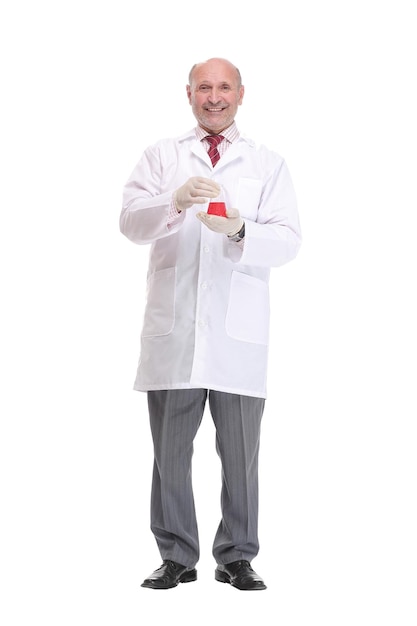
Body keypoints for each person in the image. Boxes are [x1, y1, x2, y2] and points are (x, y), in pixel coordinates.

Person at [120, 57, 301, 591]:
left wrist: (241, 227)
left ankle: (237, 556)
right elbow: (130, 222)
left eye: (224, 87)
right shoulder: (161, 156)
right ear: (189, 93)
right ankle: (176, 556)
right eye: (205, 87)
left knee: (242, 455)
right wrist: (172, 203)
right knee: (169, 455)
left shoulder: (266, 164)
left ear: (241, 94)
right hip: (174, 333)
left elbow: (289, 240)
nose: (214, 96)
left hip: (236, 337)